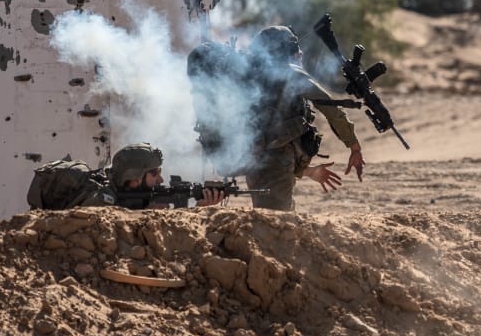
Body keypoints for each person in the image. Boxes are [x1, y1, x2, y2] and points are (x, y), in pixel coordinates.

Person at [243, 25, 364, 211]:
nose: (300, 53)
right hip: (274, 165)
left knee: (271, 219)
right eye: (295, 48)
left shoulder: (250, 77)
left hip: (255, 164)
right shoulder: (291, 74)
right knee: (276, 227)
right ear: (286, 51)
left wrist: (307, 171)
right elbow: (331, 109)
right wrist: (354, 147)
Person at [109, 144, 225, 209]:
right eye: (154, 173)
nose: (161, 180)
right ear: (135, 179)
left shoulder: (138, 197)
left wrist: (200, 206)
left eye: (160, 172)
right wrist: (145, 213)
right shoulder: (102, 199)